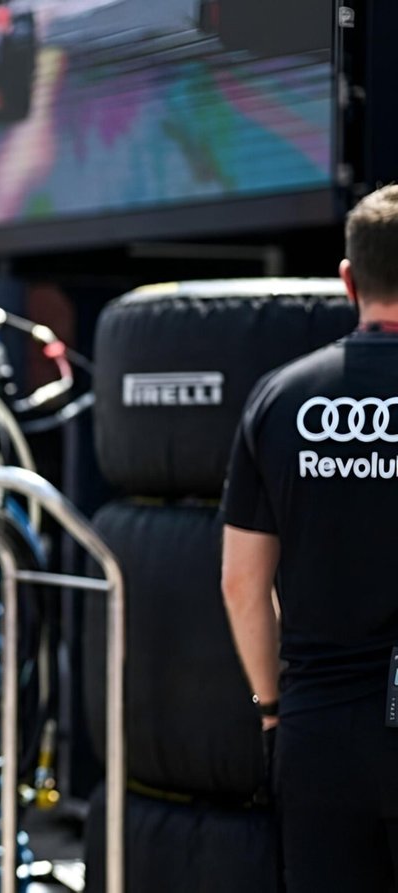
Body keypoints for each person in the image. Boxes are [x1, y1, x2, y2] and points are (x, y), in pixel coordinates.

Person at [222, 183, 398, 891]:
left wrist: (271, 706)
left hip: (319, 727)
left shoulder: (280, 396)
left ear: (348, 280)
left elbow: (240, 581)